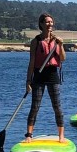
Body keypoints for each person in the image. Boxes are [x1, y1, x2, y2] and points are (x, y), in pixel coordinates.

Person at [25, 13, 66, 142]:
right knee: (35, 106)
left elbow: (63, 59)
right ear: (41, 24)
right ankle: (29, 135)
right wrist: (28, 81)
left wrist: (61, 45)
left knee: (57, 106)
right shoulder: (35, 41)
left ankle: (61, 135)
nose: (50, 24)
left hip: (52, 74)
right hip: (39, 74)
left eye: (51, 22)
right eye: (47, 22)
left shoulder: (56, 41)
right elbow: (31, 63)